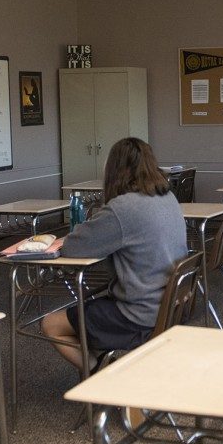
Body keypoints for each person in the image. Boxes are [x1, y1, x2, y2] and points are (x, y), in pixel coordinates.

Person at [41, 137, 187, 369]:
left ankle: (101, 372)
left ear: (115, 169)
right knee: (92, 311)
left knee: (51, 324)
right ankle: (103, 363)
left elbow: (73, 247)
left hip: (139, 314)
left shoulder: (123, 208)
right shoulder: (168, 197)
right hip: (172, 304)